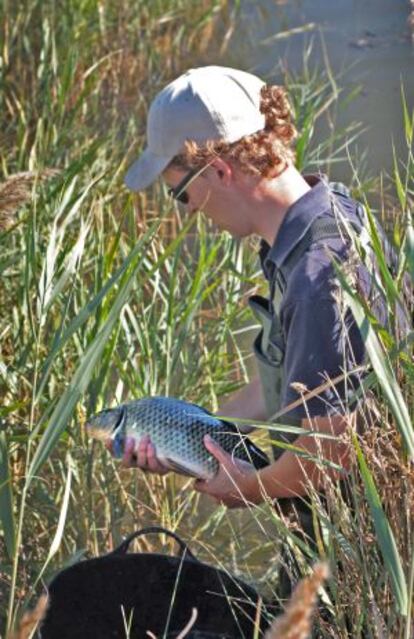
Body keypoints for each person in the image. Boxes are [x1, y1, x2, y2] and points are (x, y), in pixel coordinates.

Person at [112, 65, 392, 601]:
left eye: (180, 195)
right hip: (342, 528)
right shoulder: (326, 217)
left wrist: (248, 488)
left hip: (365, 549)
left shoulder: (318, 272)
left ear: (217, 170)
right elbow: (289, 383)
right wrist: (187, 438)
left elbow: (327, 452)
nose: (189, 214)